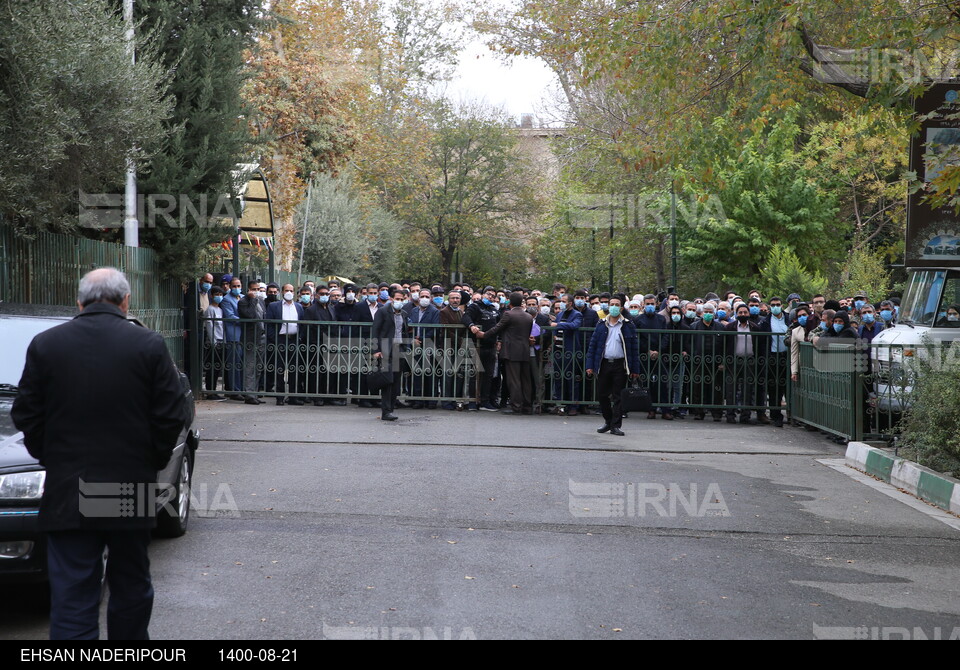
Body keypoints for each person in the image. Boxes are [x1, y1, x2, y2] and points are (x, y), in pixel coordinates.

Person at [12, 268, 185, 640]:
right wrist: (149, 462)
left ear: (80, 301)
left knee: (73, 592)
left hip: (67, 488)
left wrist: (52, 456)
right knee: (130, 586)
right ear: (126, 302)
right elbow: (171, 415)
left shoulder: (46, 344)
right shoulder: (148, 345)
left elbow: (26, 413)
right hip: (128, 485)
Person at [585, 296, 641, 436]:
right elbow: (593, 346)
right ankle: (607, 421)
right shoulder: (601, 324)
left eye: (617, 304)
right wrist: (590, 365)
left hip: (620, 364)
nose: (614, 307)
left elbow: (634, 349)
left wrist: (635, 369)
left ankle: (616, 425)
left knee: (618, 396)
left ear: (621, 308)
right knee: (602, 395)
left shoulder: (628, 325)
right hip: (604, 363)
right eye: (612, 304)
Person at [477, 292, 535, 414]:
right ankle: (527, 406)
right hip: (524, 350)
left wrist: (484, 335)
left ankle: (516, 406)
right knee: (525, 379)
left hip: (511, 351)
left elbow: (497, 328)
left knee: (514, 380)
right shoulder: (528, 316)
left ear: (510, 303)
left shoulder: (508, 314)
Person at [372, 288, 410, 421]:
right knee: (387, 381)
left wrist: (406, 347)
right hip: (385, 349)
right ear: (391, 299)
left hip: (399, 349)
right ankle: (386, 411)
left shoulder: (404, 313)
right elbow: (375, 330)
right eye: (397, 299)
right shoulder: (383, 312)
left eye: (402, 299)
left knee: (396, 382)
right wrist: (376, 350)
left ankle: (391, 409)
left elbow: (404, 331)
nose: (399, 301)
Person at [265, 284, 304, 405]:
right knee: (279, 369)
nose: (289, 292)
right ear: (282, 292)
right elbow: (269, 324)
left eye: (291, 291)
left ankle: (292, 396)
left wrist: (299, 338)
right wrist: (275, 339)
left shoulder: (298, 306)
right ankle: (280, 397)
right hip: (280, 340)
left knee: (294, 370)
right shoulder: (274, 306)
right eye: (287, 290)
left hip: (294, 340)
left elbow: (302, 324)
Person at [237, 279, 266, 405]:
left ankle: (254, 392)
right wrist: (252, 299)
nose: (256, 292)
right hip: (250, 338)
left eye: (258, 289)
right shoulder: (243, 302)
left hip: (262, 337)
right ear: (248, 289)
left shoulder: (260, 300)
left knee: (258, 367)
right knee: (250, 366)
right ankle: (249, 394)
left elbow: (263, 316)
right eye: (254, 289)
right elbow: (250, 315)